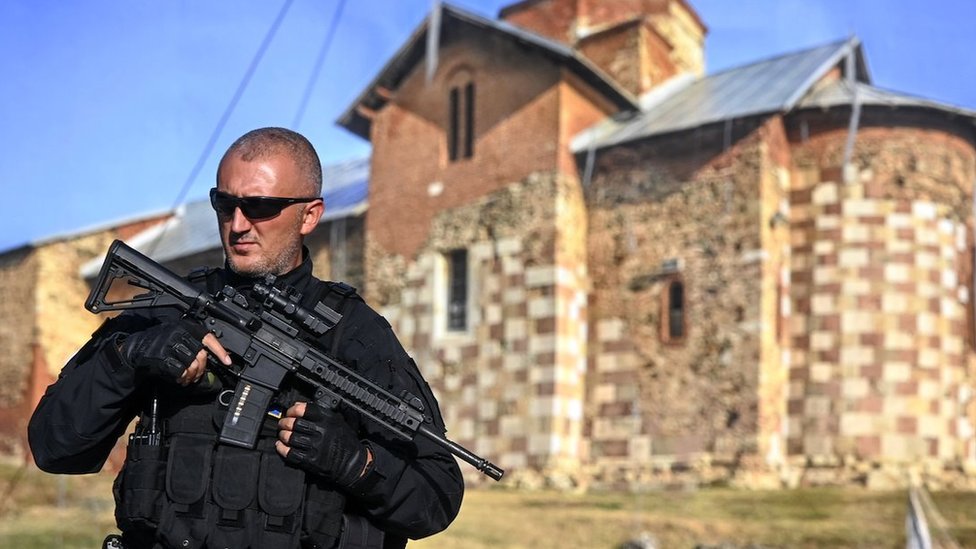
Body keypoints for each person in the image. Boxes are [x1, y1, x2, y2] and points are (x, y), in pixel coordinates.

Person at [28, 127, 464, 549]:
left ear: (310, 215)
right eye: (225, 204)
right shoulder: (169, 306)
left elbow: (437, 496)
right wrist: (125, 358)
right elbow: (53, 447)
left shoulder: (355, 334)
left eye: (260, 207)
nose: (237, 224)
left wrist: (357, 464)